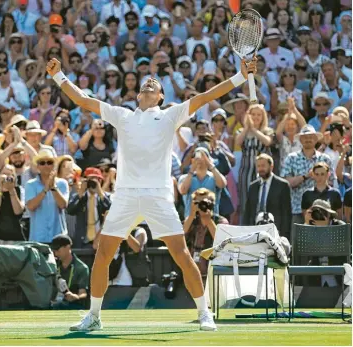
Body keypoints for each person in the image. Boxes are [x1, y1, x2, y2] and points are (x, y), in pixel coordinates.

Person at [46, 54, 256, 331]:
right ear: (138, 97)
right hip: (125, 196)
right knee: (103, 254)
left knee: (181, 254)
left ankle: (205, 313)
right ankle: (94, 316)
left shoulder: (170, 115)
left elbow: (206, 95)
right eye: (146, 82)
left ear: (160, 97)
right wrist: (58, 76)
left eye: (154, 84)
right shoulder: (121, 115)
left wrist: (241, 76)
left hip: (158, 195)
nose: (149, 84)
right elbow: (83, 100)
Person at [280, 125, 333, 229]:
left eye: (311, 136)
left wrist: (319, 178)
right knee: (298, 244)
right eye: (305, 137)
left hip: (323, 211)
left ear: (316, 139)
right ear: (300, 139)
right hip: (298, 210)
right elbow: (286, 183)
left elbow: (332, 182)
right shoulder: (291, 158)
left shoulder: (325, 159)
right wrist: (306, 176)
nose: (308, 139)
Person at [243, 154, 292, 239]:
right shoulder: (253, 186)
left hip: (275, 230)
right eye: (258, 166)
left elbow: (286, 213)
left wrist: (284, 235)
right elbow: (248, 211)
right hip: (255, 229)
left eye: (263, 165)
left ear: (271, 166)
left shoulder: (282, 185)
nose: (261, 169)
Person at [25, 149, 69, 243]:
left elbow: (63, 205)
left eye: (49, 162)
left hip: (59, 238)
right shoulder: (30, 184)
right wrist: (45, 189)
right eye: (42, 163)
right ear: (38, 166)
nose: (46, 165)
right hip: (38, 238)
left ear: (54, 165)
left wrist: (53, 187)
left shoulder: (62, 183)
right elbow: (31, 206)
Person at [183, 188, 228, 280]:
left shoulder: (220, 221)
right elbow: (180, 235)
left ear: (212, 204)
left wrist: (209, 221)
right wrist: (191, 215)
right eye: (199, 203)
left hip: (213, 271)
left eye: (206, 202)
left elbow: (222, 241)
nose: (203, 205)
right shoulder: (191, 221)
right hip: (192, 271)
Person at [67, 167, 112, 249]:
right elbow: (70, 210)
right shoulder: (79, 196)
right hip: (83, 241)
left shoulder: (105, 197)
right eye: (90, 180)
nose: (93, 183)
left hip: (100, 241)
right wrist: (81, 193)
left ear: (100, 181)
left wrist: (100, 192)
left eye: (97, 180)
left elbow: (111, 211)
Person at [51, 234, 90, 310]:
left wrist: (75, 297)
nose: (56, 254)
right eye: (54, 251)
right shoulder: (53, 265)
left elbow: (83, 293)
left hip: (73, 306)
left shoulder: (81, 268)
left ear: (68, 247)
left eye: (58, 250)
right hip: (55, 302)